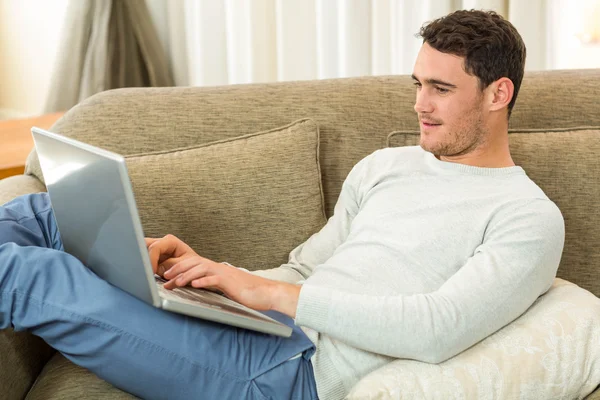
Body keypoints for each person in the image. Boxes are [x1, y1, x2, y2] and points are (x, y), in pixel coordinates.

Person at [0, 9, 564, 400]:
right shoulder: (388, 165)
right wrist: (213, 277)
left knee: (27, 275)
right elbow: (304, 270)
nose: (419, 105)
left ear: (498, 94)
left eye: (440, 89)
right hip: (259, 328)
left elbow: (438, 329)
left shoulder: (527, 218)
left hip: (289, 375)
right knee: (45, 215)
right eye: (417, 83)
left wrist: (271, 294)